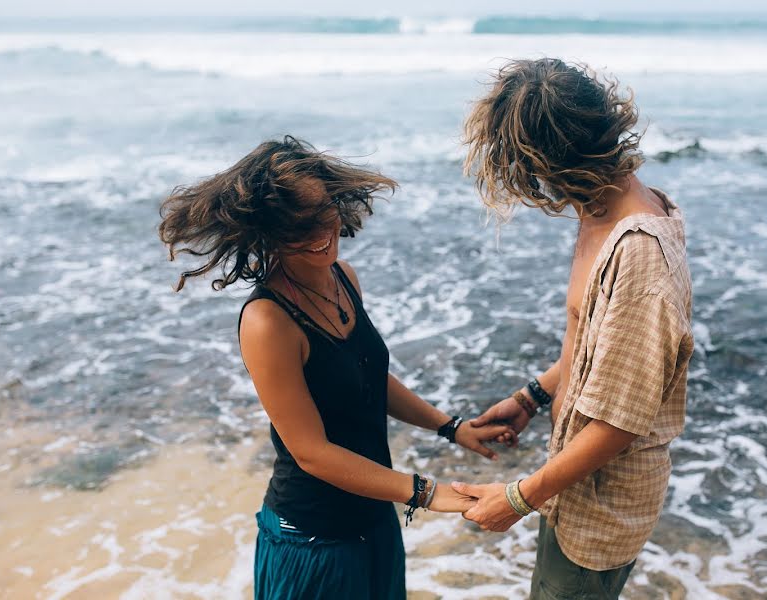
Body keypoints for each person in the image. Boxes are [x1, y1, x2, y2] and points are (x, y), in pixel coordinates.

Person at [158, 136, 512, 599]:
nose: (321, 233)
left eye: (324, 212)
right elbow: (311, 452)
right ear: (266, 232)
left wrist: (451, 427)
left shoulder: (344, 278)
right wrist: (425, 492)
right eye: (298, 227)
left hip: (373, 519)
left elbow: (365, 378)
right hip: (314, 538)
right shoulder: (268, 320)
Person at [453, 59, 695, 599]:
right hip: (572, 481)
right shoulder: (603, 203)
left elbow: (620, 423)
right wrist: (534, 395)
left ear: (549, 160)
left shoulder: (638, 254)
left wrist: (517, 498)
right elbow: (596, 345)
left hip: (600, 502)